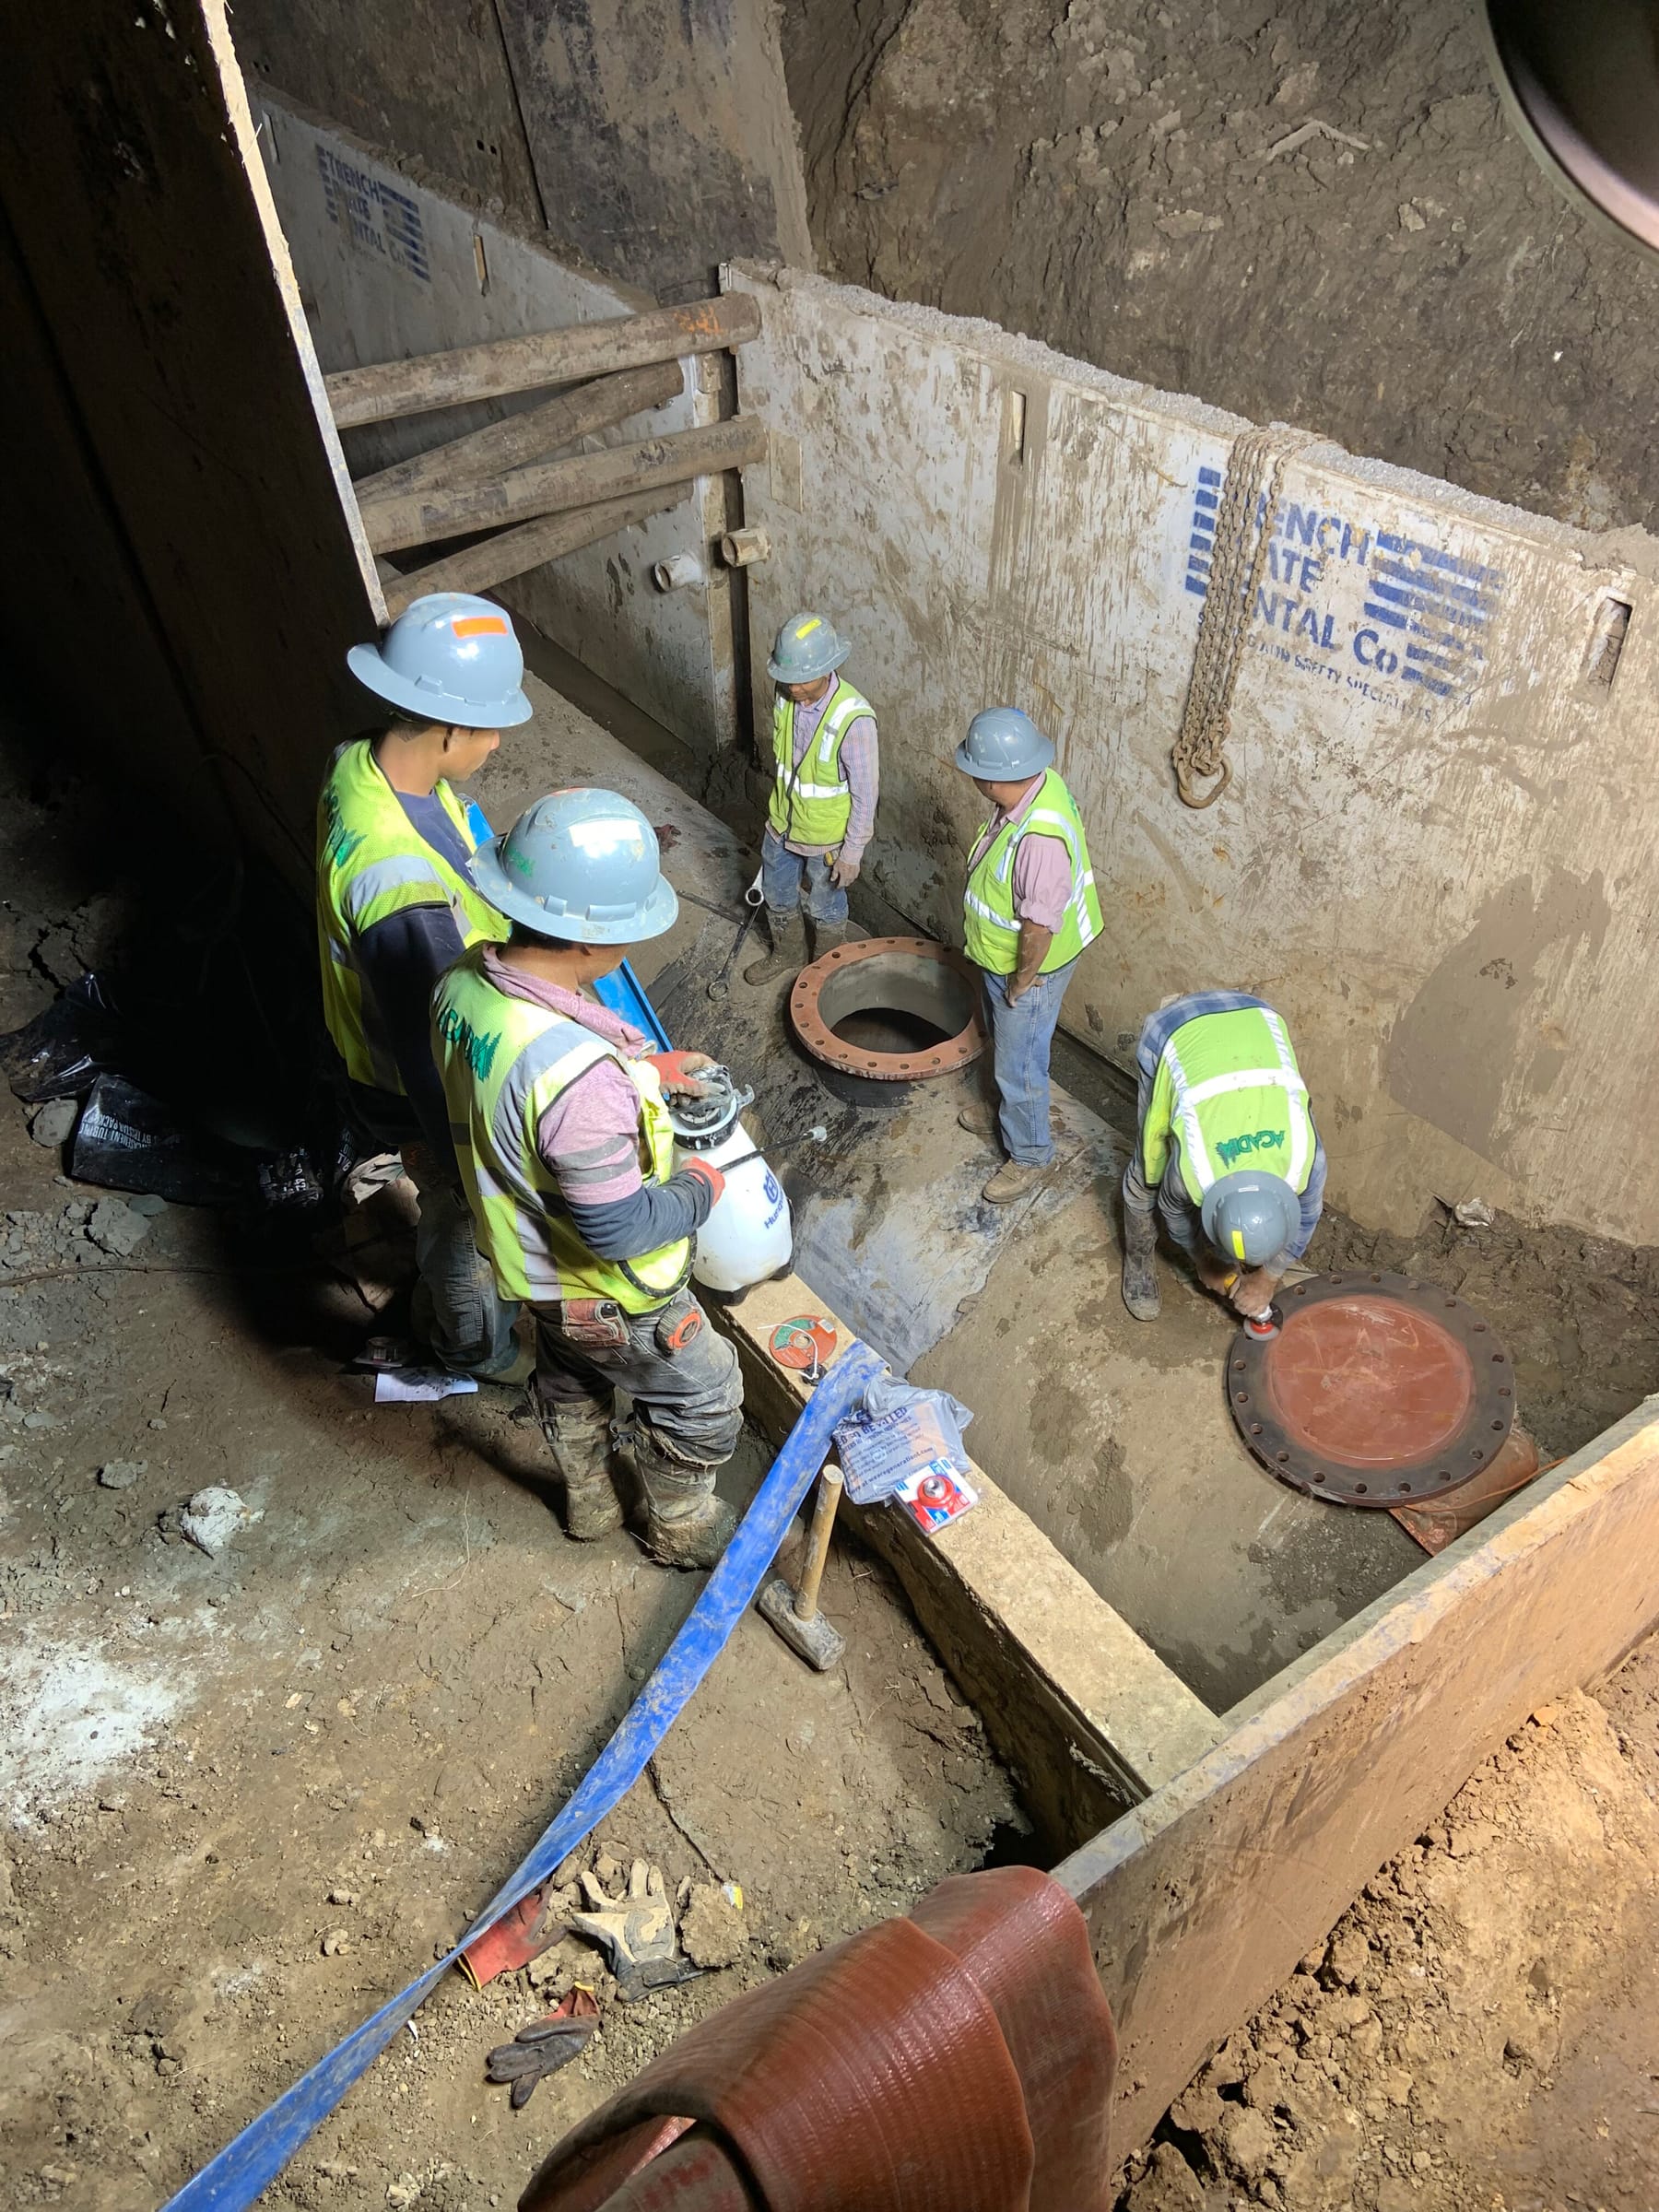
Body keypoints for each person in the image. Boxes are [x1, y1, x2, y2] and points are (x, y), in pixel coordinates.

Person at [431, 790, 745, 1568]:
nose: (631, 942)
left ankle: (591, 1502)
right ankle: (677, 1525)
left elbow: (526, 1080)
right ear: (586, 941)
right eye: (626, 928)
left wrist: (644, 1070)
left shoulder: (465, 984)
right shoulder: (580, 1081)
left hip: (533, 1269)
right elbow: (619, 1228)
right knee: (707, 1397)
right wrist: (705, 1183)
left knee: (571, 1372)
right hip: (612, 1287)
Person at [317, 591, 531, 1380]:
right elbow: (424, 1039)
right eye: (489, 724)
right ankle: (472, 1346)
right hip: (416, 1081)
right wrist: (467, 1157)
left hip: (389, 1041)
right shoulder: (397, 882)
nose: (500, 740)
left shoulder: (361, 765)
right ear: (444, 729)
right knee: (462, 1219)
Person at [954, 706, 1101, 1205]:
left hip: (1031, 966)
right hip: (1005, 958)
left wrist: (1021, 981)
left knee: (1021, 1062)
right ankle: (1005, 1110)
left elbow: (1038, 927)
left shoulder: (1038, 839)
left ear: (994, 781)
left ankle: (1031, 1153)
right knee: (1006, 1044)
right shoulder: (1037, 785)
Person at [1120, 990, 1326, 1324]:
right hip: (1170, 1035)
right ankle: (1138, 1261)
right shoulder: (1194, 1173)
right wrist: (1204, 1262)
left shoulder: (1304, 1160)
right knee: (1147, 1175)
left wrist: (1269, 1277)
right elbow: (1173, 1212)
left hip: (1257, 1016)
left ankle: (1247, 1261)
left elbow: (1307, 1215)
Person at [744, 610, 879, 984]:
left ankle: (824, 972)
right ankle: (787, 954)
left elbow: (866, 796)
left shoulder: (854, 720)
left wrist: (852, 853)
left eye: (801, 680)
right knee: (777, 893)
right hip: (782, 825)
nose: (792, 687)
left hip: (825, 839)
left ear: (827, 669)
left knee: (825, 905)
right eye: (786, 678)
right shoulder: (786, 694)